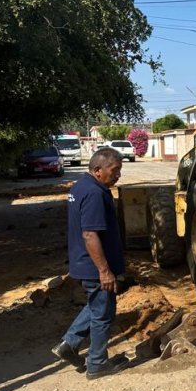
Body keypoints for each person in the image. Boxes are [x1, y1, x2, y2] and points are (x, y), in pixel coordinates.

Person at [52, 147, 129, 379]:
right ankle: (97, 364)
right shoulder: (95, 193)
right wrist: (104, 270)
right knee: (103, 313)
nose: (118, 175)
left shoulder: (82, 186)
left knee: (97, 306)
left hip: (85, 263)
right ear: (97, 170)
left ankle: (69, 344)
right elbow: (90, 234)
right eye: (114, 170)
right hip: (95, 267)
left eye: (120, 170)